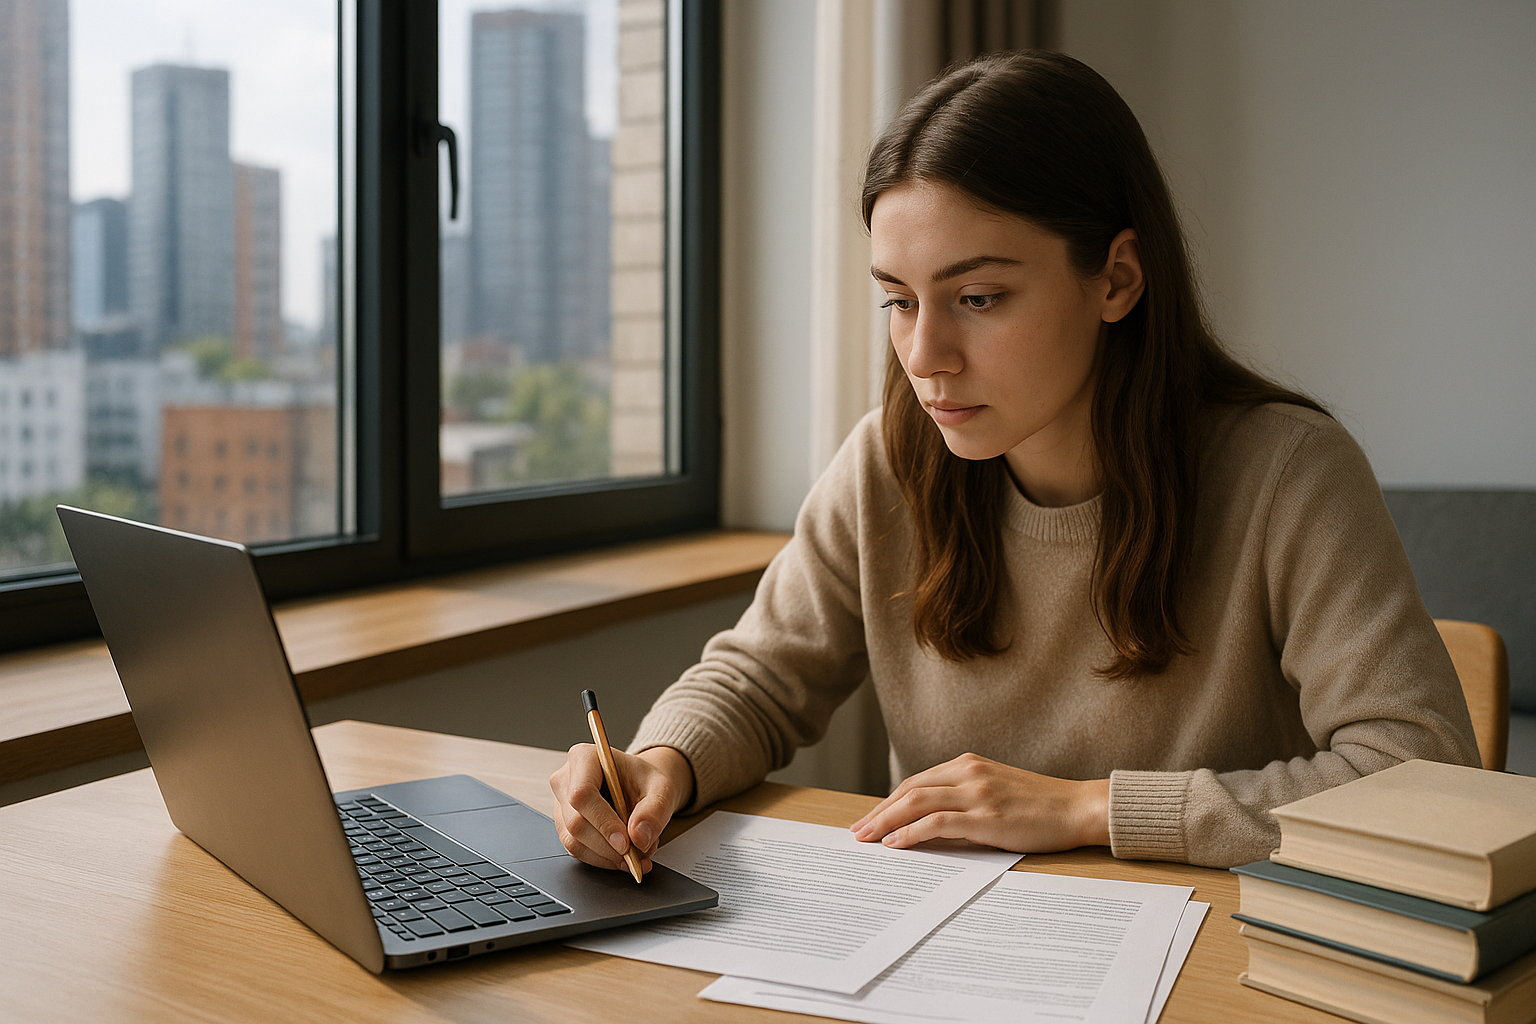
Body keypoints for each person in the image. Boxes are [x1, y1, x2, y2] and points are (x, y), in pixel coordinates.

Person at [549, 51, 1479, 872]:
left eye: (980, 297)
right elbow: (758, 679)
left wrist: (1084, 809)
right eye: (898, 301)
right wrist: (661, 762)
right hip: (945, 954)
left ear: (1117, 279)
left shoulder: (1287, 472)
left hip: (1215, 964)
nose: (924, 356)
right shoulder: (888, 463)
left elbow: (1420, 770)